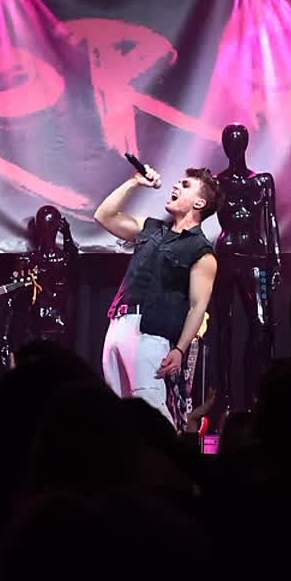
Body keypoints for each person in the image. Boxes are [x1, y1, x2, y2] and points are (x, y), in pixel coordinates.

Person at [94, 163, 219, 425]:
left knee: (150, 410)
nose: (176, 185)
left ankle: (171, 451)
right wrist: (135, 182)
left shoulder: (201, 251)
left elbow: (197, 307)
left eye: (185, 185)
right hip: (118, 323)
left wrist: (180, 349)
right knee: (117, 414)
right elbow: (104, 216)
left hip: (150, 334)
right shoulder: (151, 228)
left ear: (199, 203)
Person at [210, 123, 281, 412]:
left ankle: (254, 394)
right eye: (230, 141)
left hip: (255, 255)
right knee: (223, 326)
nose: (234, 146)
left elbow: (272, 222)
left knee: (261, 325)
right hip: (226, 255)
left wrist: (277, 260)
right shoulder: (216, 182)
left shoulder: (262, 181)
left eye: (238, 141)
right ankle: (224, 399)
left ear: (246, 144)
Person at [0, 204, 79, 369]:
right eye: (44, 225)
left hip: (56, 324)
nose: (47, 231)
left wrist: (67, 235)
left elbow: (73, 263)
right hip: (30, 325)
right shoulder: (27, 260)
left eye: (51, 225)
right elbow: (13, 302)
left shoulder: (62, 259)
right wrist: (8, 337)